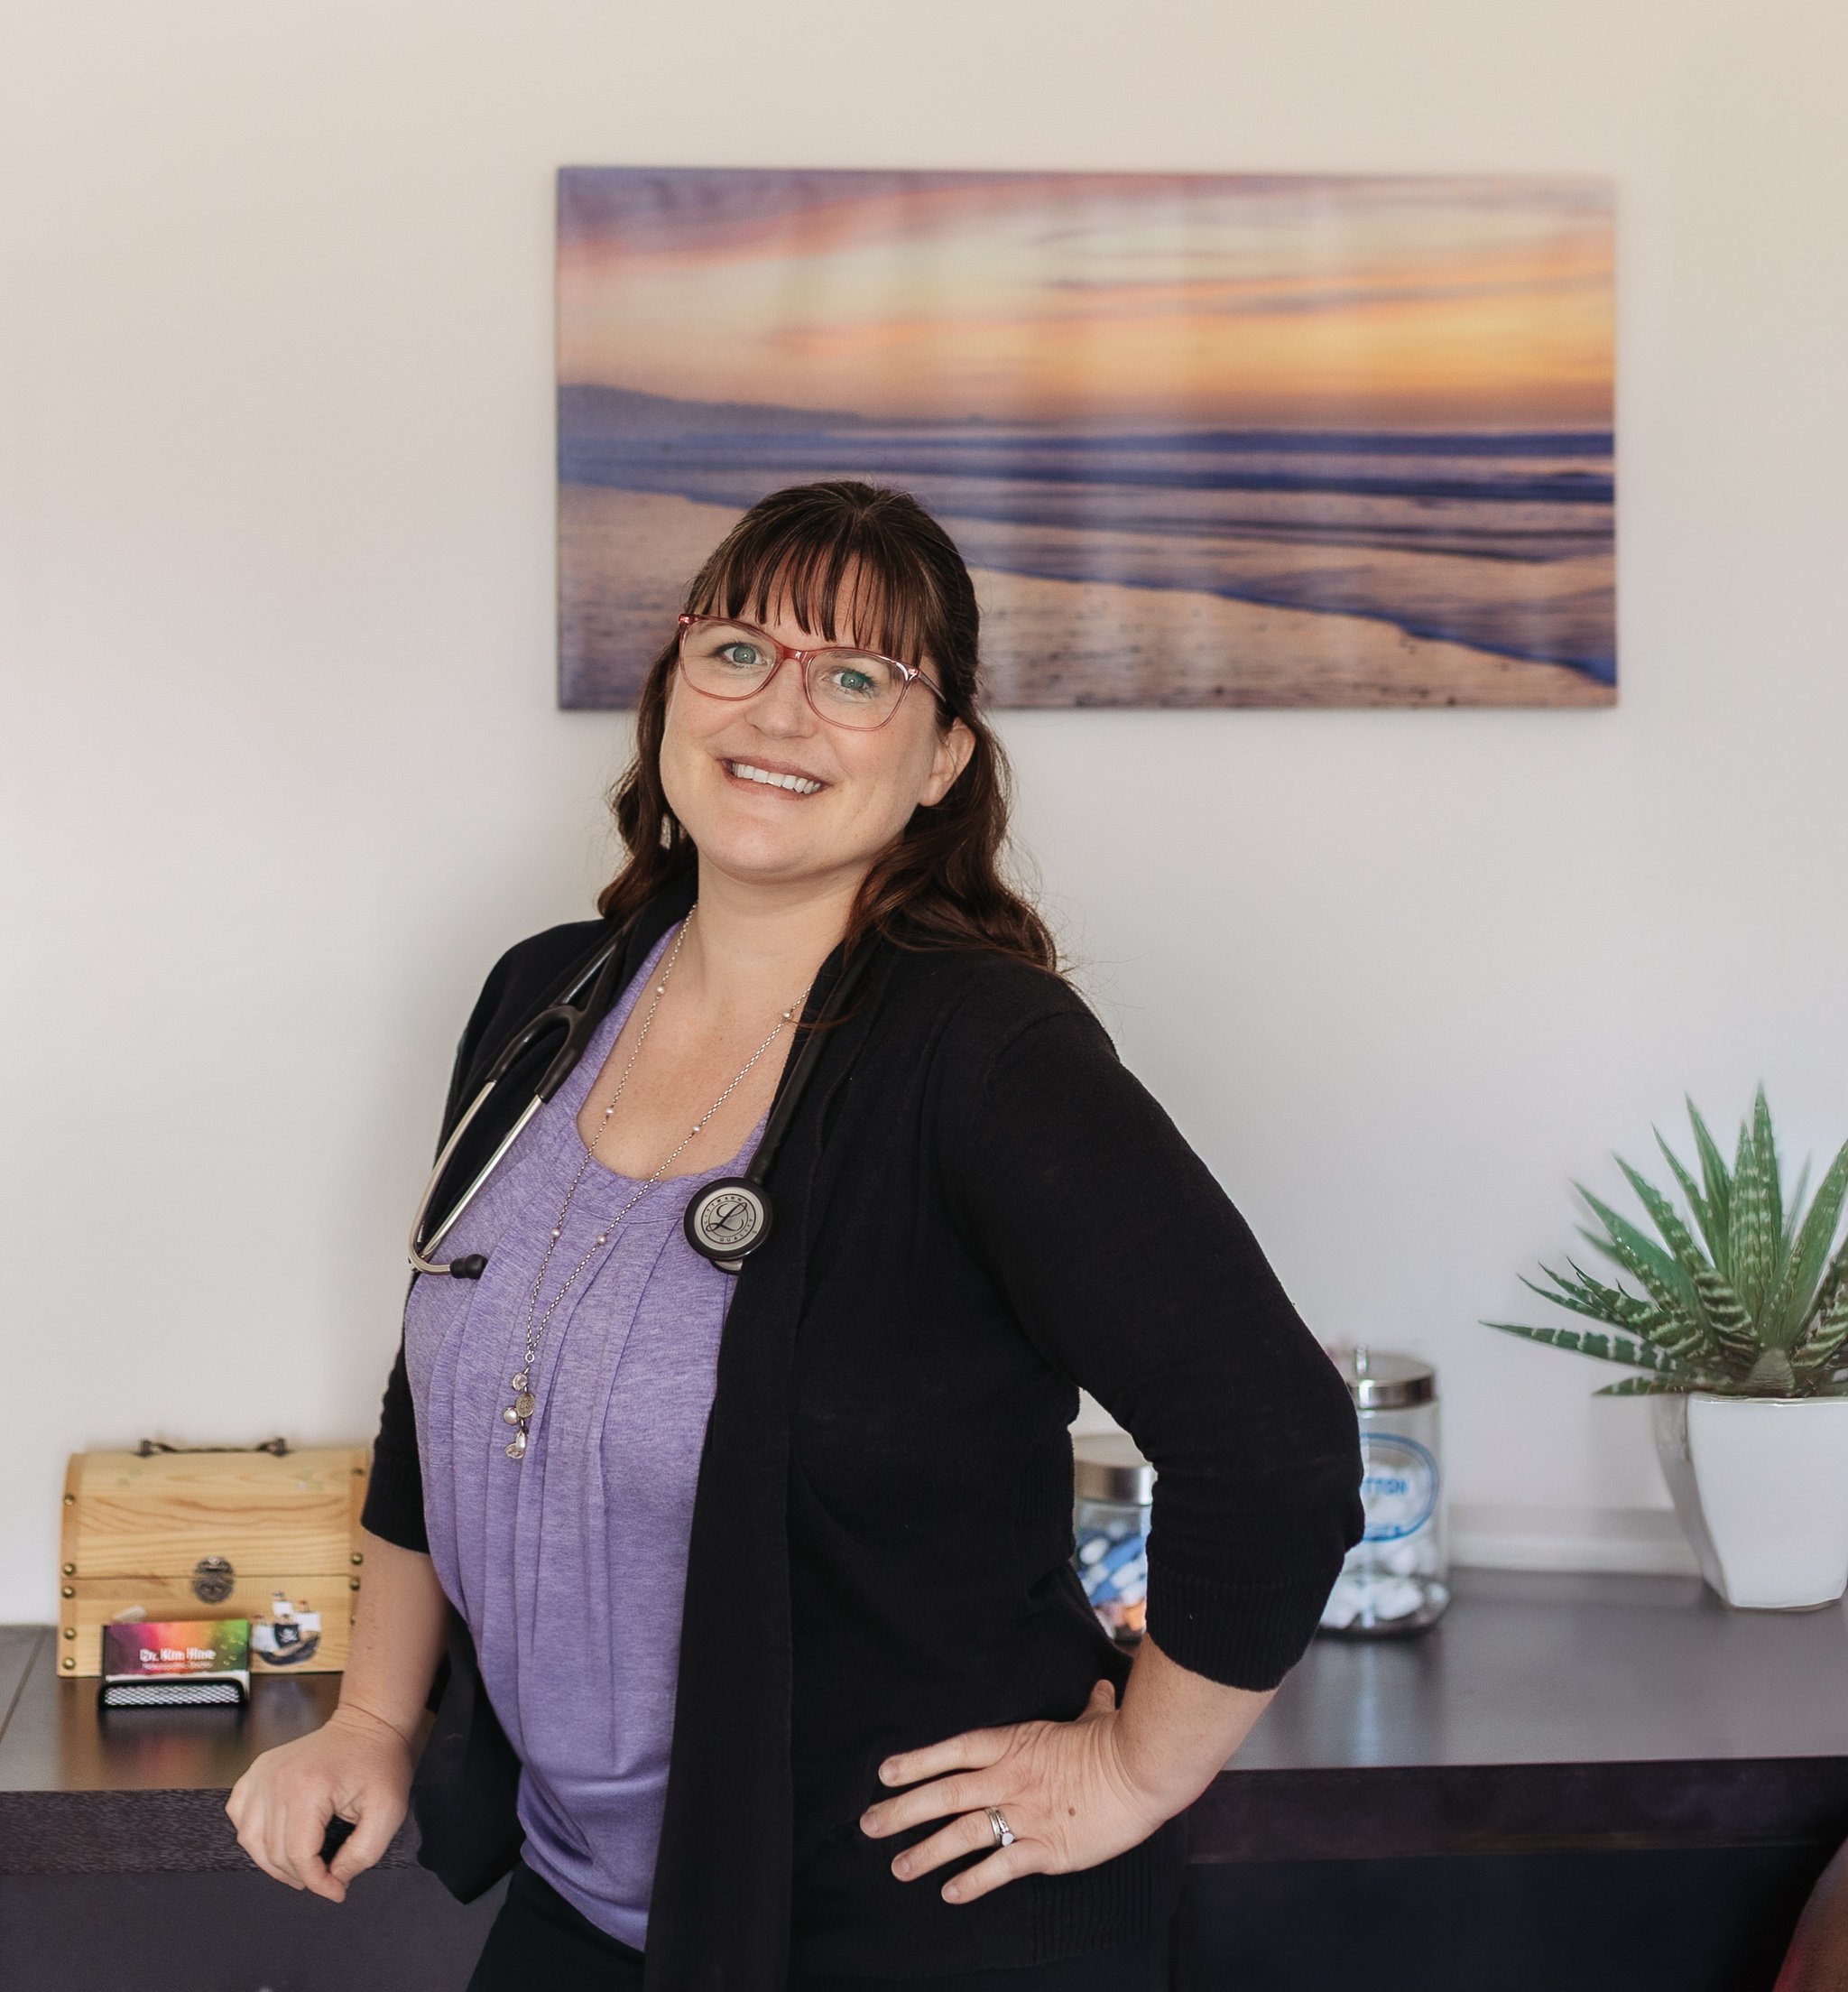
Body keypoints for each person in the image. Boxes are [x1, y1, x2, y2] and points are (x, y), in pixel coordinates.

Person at [227, 480, 1363, 1991]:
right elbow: (432, 1388)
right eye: (739, 652)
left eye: (855, 677)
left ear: (943, 754)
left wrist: (1138, 1771)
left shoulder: (982, 1054)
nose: (781, 710)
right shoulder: (544, 996)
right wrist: (373, 1720)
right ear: (672, 691)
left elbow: (1274, 1445)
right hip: (588, 1899)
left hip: (891, 1920)